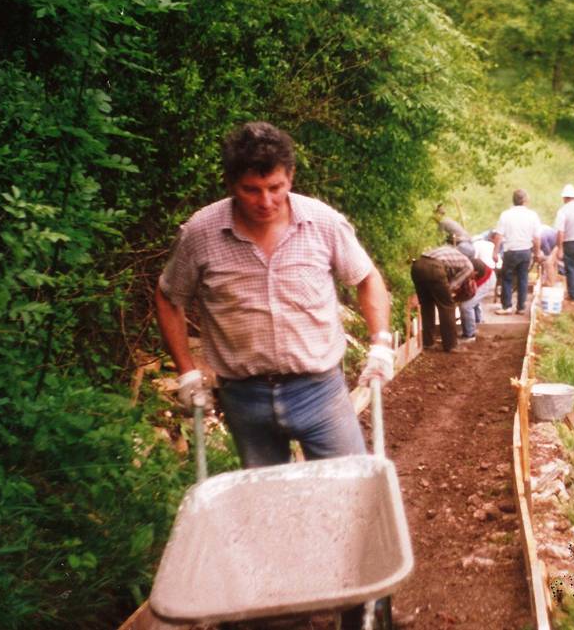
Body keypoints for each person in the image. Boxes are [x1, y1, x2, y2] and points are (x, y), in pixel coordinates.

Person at [155, 121, 394, 469]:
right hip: (244, 397)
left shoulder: (323, 223)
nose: (265, 201)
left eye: (275, 187)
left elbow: (367, 278)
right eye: (251, 190)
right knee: (268, 505)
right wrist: (187, 373)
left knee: (348, 492)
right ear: (231, 184)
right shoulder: (201, 233)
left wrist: (382, 344)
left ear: (291, 176)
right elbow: (168, 297)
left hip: (320, 390)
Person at [411, 245, 484, 352]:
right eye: (473, 277)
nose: (470, 279)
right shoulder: (469, 267)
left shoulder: (457, 257)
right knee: (448, 306)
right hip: (434, 268)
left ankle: (428, 342)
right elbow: (452, 285)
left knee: (427, 306)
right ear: (475, 272)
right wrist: (451, 296)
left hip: (417, 265)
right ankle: (451, 345)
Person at [492, 189, 541, 314]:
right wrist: (537, 253)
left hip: (511, 251)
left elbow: (499, 235)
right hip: (525, 251)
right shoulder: (532, 215)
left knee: (507, 278)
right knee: (523, 278)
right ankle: (521, 307)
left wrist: (495, 252)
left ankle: (507, 306)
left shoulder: (506, 215)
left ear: (513, 200)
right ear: (525, 200)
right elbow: (536, 238)